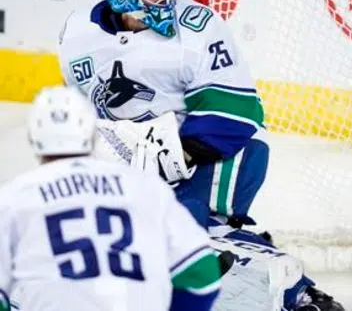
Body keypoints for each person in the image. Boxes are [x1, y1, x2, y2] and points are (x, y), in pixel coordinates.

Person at [57, 0, 343, 311]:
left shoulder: (197, 27)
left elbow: (235, 111)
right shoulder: (78, 33)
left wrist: (177, 154)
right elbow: (82, 109)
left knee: (181, 231)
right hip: (139, 160)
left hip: (224, 150)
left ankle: (297, 291)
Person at [0, 86, 221, 311]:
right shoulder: (147, 187)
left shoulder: (14, 199)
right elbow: (202, 273)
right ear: (91, 133)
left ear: (33, 138)